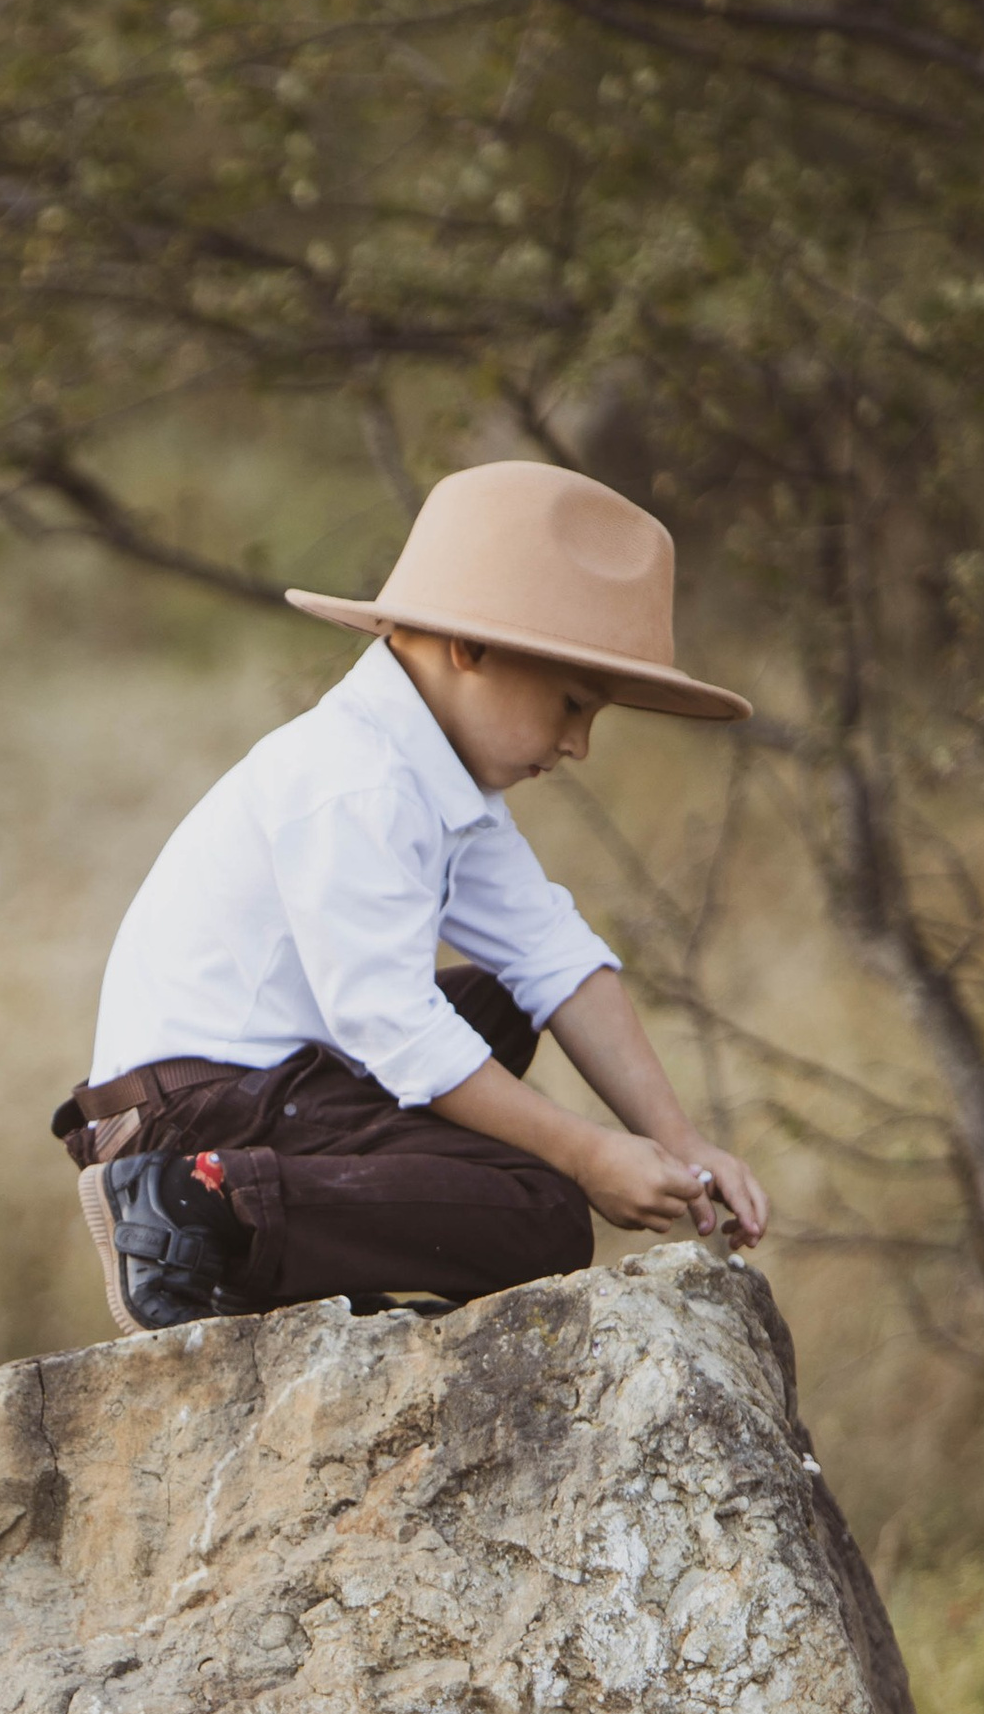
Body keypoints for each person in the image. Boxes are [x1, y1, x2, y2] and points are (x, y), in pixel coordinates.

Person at [56, 459, 771, 1331]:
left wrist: (679, 1144)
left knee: (503, 1000)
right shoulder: (359, 780)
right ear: (468, 647)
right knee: (541, 1211)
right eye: (572, 702)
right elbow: (389, 1022)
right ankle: (192, 1209)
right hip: (195, 1109)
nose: (580, 743)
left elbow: (551, 954)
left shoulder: (438, 779)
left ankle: (282, 1237)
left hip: (282, 1087)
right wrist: (588, 1156)